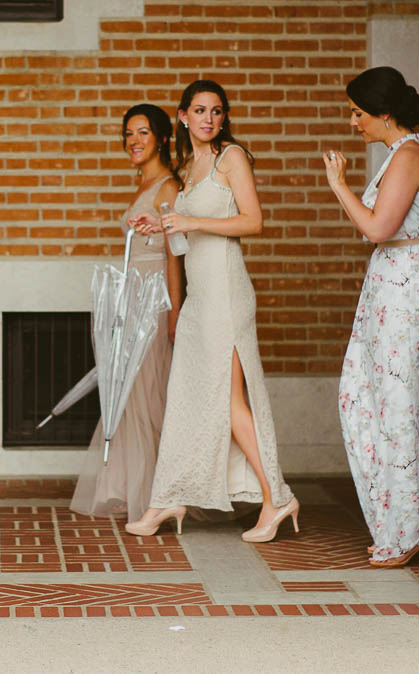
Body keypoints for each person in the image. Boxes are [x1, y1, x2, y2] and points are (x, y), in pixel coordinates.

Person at [126, 80, 297, 542]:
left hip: (226, 291)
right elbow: (184, 237)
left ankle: (276, 498)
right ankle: (169, 496)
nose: (209, 119)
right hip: (200, 297)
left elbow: (253, 221)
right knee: (186, 395)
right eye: (199, 111)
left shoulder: (231, 157)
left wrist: (191, 219)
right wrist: (160, 224)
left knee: (229, 399)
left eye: (216, 111)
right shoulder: (189, 165)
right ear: (182, 117)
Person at [322, 66, 419, 567]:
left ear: (384, 113)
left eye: (358, 113)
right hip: (404, 283)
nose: (352, 122)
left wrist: (339, 186)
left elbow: (379, 228)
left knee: (400, 403)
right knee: (403, 403)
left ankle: (410, 530)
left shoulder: (407, 154)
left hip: (410, 287)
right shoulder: (403, 153)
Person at [70, 105, 183, 521]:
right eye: (128, 134)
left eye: (143, 133)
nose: (133, 141)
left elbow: (174, 257)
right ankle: (126, 485)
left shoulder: (168, 187)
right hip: (132, 300)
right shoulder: (147, 182)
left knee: (145, 393)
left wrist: (173, 312)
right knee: (128, 394)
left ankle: (155, 490)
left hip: (154, 303)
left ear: (163, 139)